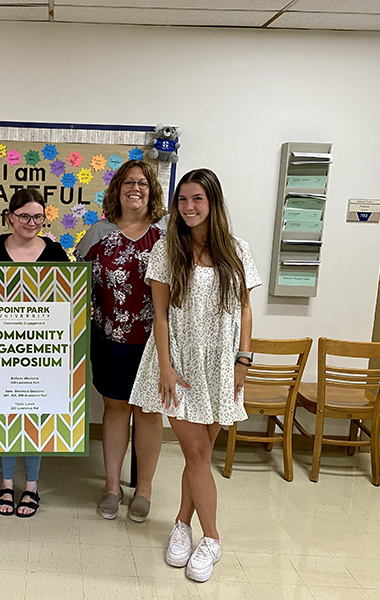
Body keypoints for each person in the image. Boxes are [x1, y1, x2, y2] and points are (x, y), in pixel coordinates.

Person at [129, 168, 261, 582]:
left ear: (213, 202)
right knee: (198, 455)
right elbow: (161, 315)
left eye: (196, 199)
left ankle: (182, 525)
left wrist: (243, 362)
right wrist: (165, 368)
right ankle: (213, 539)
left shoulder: (237, 249)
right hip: (178, 366)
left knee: (197, 458)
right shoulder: (168, 250)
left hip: (222, 366)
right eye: (182, 200)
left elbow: (244, 309)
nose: (188, 207)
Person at [74, 160, 167, 523]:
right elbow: (75, 287)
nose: (136, 188)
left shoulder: (165, 237)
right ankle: (112, 486)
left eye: (143, 183)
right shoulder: (98, 234)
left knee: (148, 413)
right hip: (109, 340)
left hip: (155, 344)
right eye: (129, 182)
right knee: (115, 410)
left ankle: (143, 489)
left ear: (151, 190)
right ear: (117, 189)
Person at [0, 188, 69, 518]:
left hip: (42, 355)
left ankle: (31, 487)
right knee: (6, 417)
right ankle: (5, 483)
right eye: (24, 216)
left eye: (37, 217)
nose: (31, 223)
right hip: (1, 354)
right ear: (10, 217)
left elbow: (69, 303)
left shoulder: (57, 254)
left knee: (36, 419)